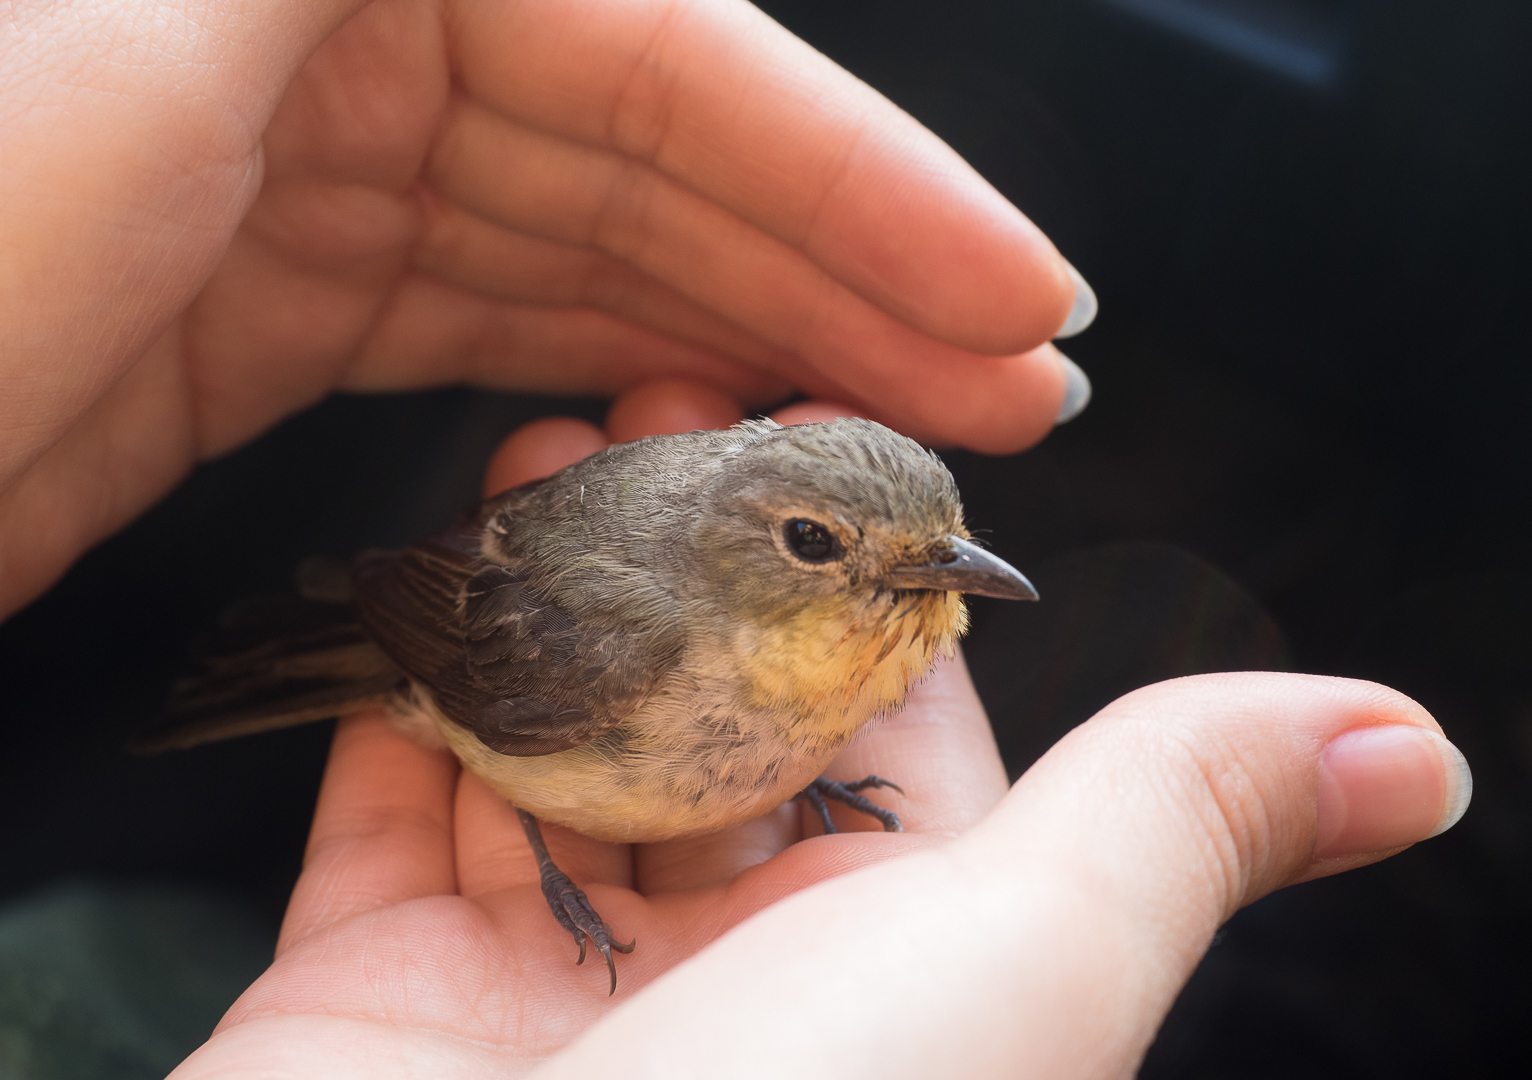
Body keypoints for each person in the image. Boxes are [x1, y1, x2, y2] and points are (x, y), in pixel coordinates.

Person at [1, 1, 1470, 1076]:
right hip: (472, 637)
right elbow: (463, 635)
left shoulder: (849, 644)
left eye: (943, 551)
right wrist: (552, 857)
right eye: (831, 547)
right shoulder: (625, 650)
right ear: (754, 540)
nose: (934, 582)